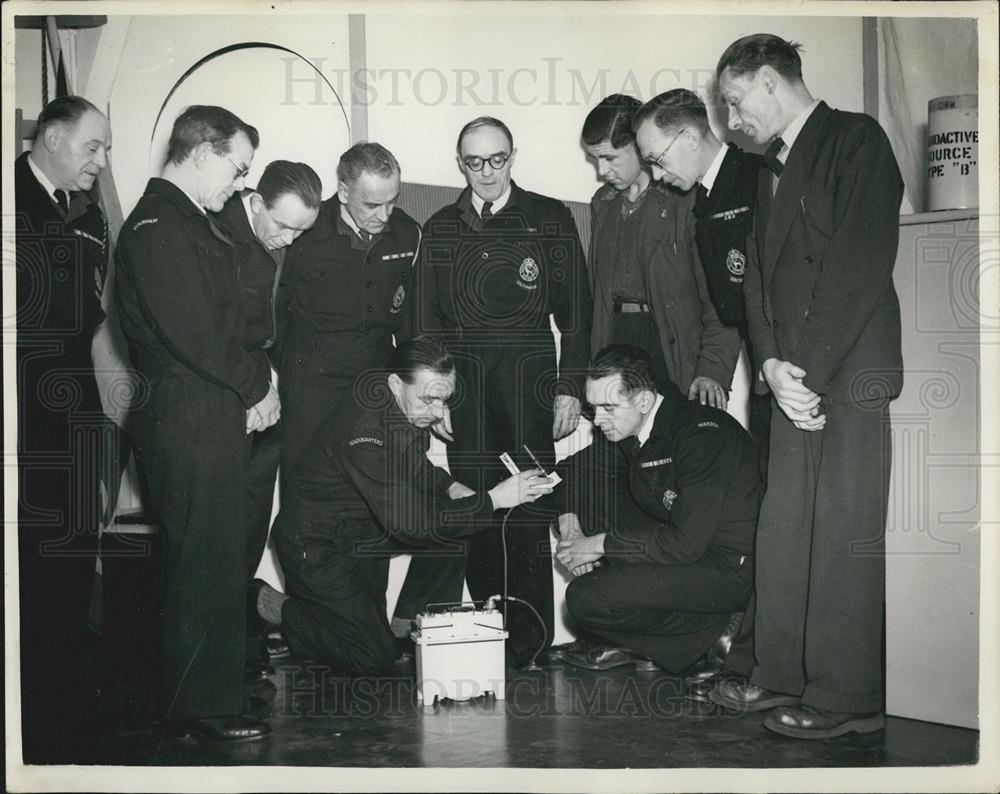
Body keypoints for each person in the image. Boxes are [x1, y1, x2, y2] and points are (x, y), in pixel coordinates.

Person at [707, 34, 903, 741]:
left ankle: (848, 697)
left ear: (767, 82)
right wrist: (768, 368)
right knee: (785, 532)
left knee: (844, 533)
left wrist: (804, 376)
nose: (730, 120)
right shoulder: (767, 169)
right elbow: (756, 281)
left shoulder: (857, 141)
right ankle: (781, 677)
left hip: (848, 376)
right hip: (790, 381)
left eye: (733, 101)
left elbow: (858, 266)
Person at [115, 105, 279, 743]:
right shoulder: (159, 224)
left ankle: (213, 698)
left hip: (207, 408)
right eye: (238, 168)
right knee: (201, 562)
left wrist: (249, 389)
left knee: (214, 558)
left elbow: (224, 325)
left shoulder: (188, 222)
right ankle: (200, 712)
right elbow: (197, 331)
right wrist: (255, 385)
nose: (241, 184)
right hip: (188, 411)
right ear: (203, 152)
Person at [253, 336, 555, 673]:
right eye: (430, 400)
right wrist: (494, 499)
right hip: (318, 546)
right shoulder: (365, 432)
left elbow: (415, 466)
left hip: (363, 531)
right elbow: (412, 526)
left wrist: (453, 487)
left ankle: (407, 632)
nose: (439, 413)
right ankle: (267, 604)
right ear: (396, 383)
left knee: (458, 527)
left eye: (445, 400)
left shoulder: (397, 402)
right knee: (370, 657)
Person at [413, 116, 592, 666]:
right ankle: (490, 636)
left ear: (512, 156)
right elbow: (424, 324)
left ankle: (532, 643)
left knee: (531, 506)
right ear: (459, 162)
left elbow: (579, 315)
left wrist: (568, 388)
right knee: (477, 504)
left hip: (529, 379)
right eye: (474, 162)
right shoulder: (441, 228)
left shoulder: (548, 217)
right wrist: (434, 397)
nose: (486, 172)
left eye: (497, 160)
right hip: (465, 384)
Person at [277, 142, 446, 646]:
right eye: (372, 203)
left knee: (373, 501)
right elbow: (276, 313)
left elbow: (414, 324)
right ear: (343, 190)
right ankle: (306, 620)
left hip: (374, 385)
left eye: (392, 200)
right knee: (313, 506)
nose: (384, 214)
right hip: (311, 381)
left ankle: (366, 621)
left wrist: (428, 395)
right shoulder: (305, 231)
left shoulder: (406, 232)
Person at [633, 88, 771, 699]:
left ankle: (753, 657)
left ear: (687, 138)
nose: (655, 173)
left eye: (657, 158)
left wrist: (726, 365)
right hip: (766, 368)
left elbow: (732, 305)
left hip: (780, 368)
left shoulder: (751, 179)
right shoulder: (706, 193)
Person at [553, 345, 760, 674]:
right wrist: (571, 530)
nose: (598, 421)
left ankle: (719, 634)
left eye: (608, 407)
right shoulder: (629, 428)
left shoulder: (701, 435)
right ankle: (685, 643)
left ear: (645, 401)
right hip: (690, 555)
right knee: (593, 493)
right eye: (593, 409)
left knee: (584, 598)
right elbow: (570, 474)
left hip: (732, 568)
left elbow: (684, 544)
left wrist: (597, 545)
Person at [15, 95, 114, 762]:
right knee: (33, 560)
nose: (101, 162)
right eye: (92, 148)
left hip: (79, 409)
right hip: (23, 415)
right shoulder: (10, 202)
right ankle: (35, 706)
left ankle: (69, 694)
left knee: (76, 551)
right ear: (51, 138)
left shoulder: (89, 213)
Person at [213, 159, 321, 669]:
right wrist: (259, 385)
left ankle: (243, 648)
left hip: (272, 403)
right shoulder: (220, 239)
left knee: (253, 527)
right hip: (233, 403)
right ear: (255, 202)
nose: (289, 239)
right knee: (223, 536)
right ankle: (224, 657)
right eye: (282, 224)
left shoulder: (281, 241)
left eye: (301, 230)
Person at [582, 93, 739, 406]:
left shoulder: (685, 200)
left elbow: (721, 301)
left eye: (610, 157)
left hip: (670, 351)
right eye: (594, 159)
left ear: (640, 148)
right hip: (617, 344)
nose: (601, 171)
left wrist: (712, 369)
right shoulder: (603, 204)